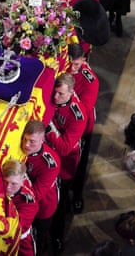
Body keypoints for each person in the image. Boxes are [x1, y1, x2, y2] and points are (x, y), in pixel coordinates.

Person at [46, 73, 87, 254]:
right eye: (55, 93)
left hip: (65, 165)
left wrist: (49, 128)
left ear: (71, 92)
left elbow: (63, 148)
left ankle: (57, 237)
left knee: (60, 205)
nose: (55, 97)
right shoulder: (53, 99)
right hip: (49, 157)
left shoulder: (77, 116)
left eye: (61, 94)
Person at [67, 44, 99, 213]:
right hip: (64, 122)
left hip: (82, 127)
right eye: (70, 64)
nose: (72, 69)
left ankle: (78, 194)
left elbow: (84, 112)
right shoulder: (65, 69)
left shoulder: (90, 80)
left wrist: (69, 96)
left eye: (76, 65)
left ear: (84, 61)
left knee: (79, 163)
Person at [21, 120, 60, 255]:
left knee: (37, 241)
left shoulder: (50, 163)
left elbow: (35, 195)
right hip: (25, 204)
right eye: (25, 139)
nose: (26, 145)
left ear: (42, 140)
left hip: (43, 207)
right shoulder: (21, 149)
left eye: (32, 141)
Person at [1, 159, 38, 256]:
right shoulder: (9, 185)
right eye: (5, 182)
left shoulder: (28, 203)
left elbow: (14, 228)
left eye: (13, 184)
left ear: (23, 180)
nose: (8, 187)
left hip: (20, 243)